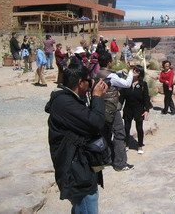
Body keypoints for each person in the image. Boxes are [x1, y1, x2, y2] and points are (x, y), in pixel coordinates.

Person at [45, 63, 109, 214]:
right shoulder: (65, 103)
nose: (91, 84)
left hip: (80, 166)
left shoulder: (70, 99)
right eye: (88, 80)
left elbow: (88, 121)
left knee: (81, 208)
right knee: (87, 203)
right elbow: (96, 123)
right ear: (80, 83)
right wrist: (97, 97)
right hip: (76, 170)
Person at [96, 52, 134, 171]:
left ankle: (107, 159)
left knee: (106, 134)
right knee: (119, 134)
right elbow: (127, 84)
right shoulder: (111, 76)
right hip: (112, 108)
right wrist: (131, 70)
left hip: (100, 108)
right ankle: (120, 163)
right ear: (109, 63)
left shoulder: (98, 74)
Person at [120, 65, 152, 154]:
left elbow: (146, 98)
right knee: (126, 127)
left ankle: (140, 145)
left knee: (139, 128)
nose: (134, 72)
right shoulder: (126, 83)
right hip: (128, 108)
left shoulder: (143, 84)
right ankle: (126, 144)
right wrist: (119, 106)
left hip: (139, 109)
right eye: (134, 70)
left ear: (140, 73)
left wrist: (147, 110)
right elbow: (122, 96)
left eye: (137, 71)